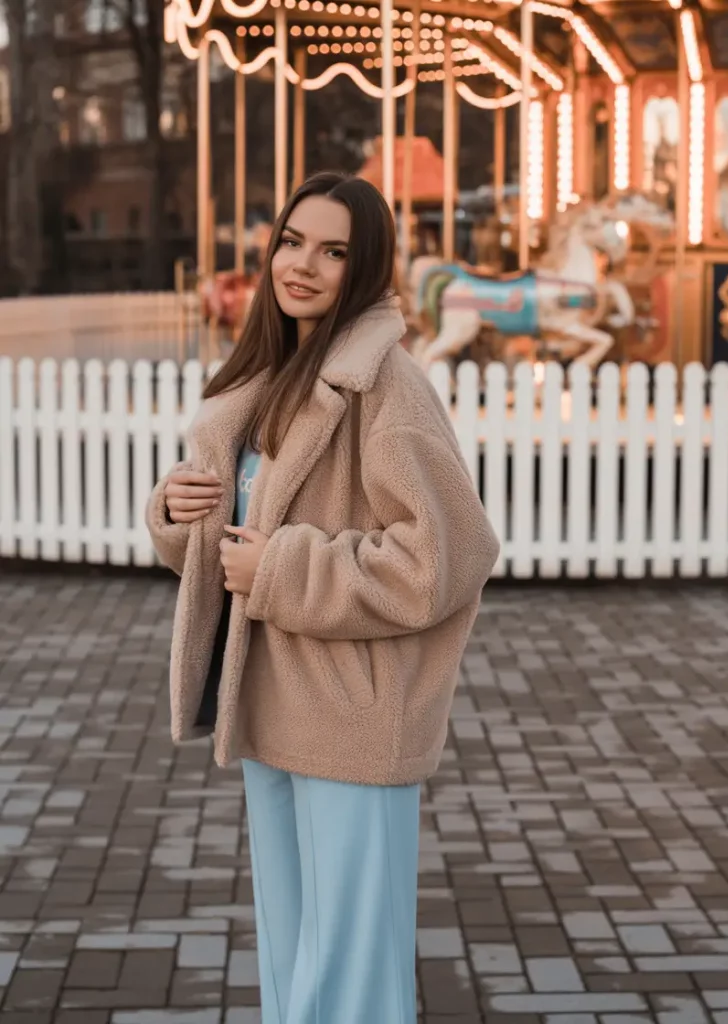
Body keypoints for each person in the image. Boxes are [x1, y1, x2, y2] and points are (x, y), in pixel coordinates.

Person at [145, 171, 499, 1024]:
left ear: (367, 266)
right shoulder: (270, 374)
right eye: (293, 241)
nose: (303, 265)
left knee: (348, 973)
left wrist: (284, 570)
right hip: (273, 703)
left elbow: (447, 554)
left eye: (334, 251)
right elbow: (237, 541)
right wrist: (178, 512)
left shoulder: (386, 387)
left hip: (353, 710)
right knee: (295, 951)